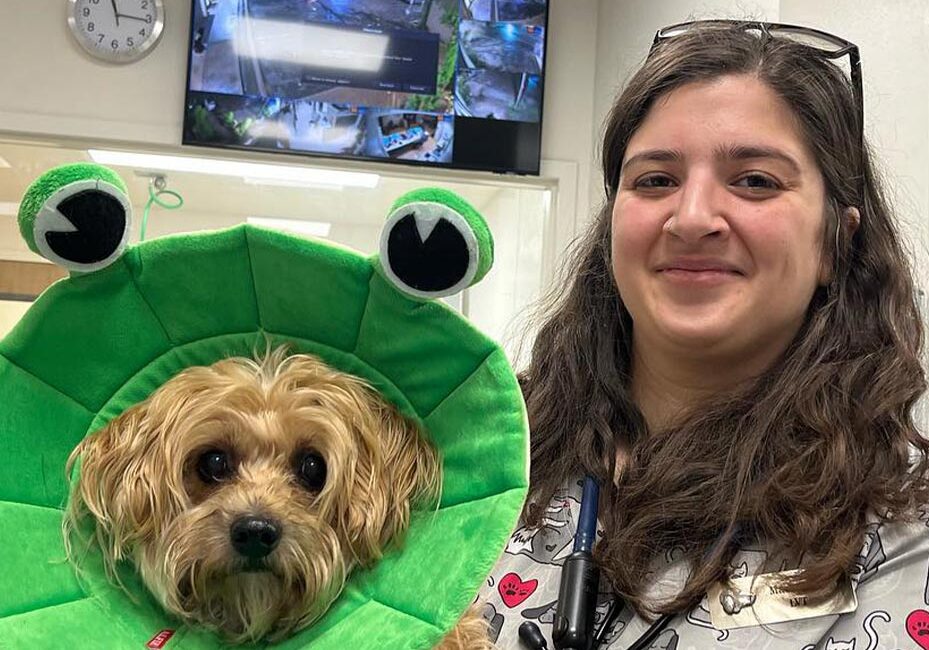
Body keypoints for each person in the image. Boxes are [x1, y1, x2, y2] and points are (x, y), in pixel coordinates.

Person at [478, 20, 929, 650]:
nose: (691, 218)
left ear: (837, 241)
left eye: (755, 181)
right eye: (655, 180)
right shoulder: (483, 452)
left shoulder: (902, 525)